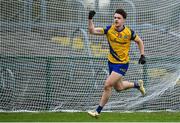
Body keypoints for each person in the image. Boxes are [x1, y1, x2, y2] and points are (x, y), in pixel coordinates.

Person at [87, 9, 146, 117]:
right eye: (115, 17)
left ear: (124, 20)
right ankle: (137, 84)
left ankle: (97, 111)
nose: (116, 20)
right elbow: (92, 31)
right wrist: (90, 18)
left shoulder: (129, 32)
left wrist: (142, 55)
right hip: (111, 63)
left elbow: (139, 41)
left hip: (122, 64)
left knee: (107, 85)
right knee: (119, 88)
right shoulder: (109, 30)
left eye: (118, 18)